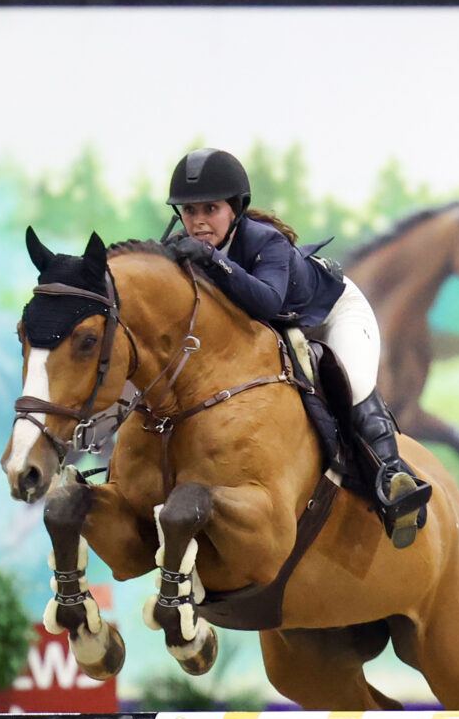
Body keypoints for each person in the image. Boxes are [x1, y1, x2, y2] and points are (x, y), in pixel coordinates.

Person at [161, 148, 430, 547]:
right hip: (278, 327)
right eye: (189, 210)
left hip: (331, 314)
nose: (198, 221)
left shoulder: (265, 242)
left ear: (235, 209)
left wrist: (213, 260)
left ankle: (393, 479)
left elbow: (267, 302)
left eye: (210, 209)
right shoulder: (185, 247)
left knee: (352, 382)